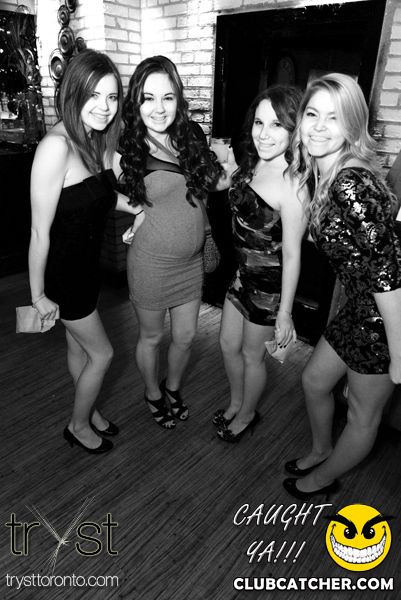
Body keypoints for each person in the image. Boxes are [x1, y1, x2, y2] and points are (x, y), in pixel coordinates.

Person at [283, 73, 401, 499]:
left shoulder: (350, 183)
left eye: (333, 118)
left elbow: (389, 274)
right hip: (363, 305)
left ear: (352, 125)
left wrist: (399, 353)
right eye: (312, 114)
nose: (318, 126)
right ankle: (321, 450)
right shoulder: (330, 172)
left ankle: (321, 479)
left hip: (386, 318)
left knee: (362, 417)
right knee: (315, 381)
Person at [28, 50, 145, 454]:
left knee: (78, 347)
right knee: (103, 354)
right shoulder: (55, 147)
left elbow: (94, 197)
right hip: (65, 277)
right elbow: (39, 231)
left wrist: (135, 207)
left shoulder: (90, 140)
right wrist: (37, 296)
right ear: (74, 92)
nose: (104, 107)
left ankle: (88, 409)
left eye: (112, 97)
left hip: (86, 269)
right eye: (94, 95)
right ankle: (78, 426)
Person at [119, 56, 235, 429]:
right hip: (151, 264)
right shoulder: (128, 146)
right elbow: (95, 189)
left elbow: (211, 184)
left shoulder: (189, 136)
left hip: (191, 262)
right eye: (148, 98)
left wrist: (232, 166)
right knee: (152, 337)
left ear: (178, 100)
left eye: (167, 98)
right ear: (136, 102)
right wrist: (134, 210)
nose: (159, 108)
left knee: (185, 337)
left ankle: (172, 387)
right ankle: (152, 392)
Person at [213, 85, 308, 443]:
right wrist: (227, 163)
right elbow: (240, 193)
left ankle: (247, 414)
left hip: (268, 289)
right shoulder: (252, 164)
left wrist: (285, 312)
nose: (264, 134)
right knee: (227, 345)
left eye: (277, 125)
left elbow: (293, 254)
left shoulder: (293, 185)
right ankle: (237, 401)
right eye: (258, 122)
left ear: (294, 130)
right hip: (242, 276)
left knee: (252, 357)